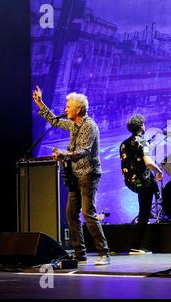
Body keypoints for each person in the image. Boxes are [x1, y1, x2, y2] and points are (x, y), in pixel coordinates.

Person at [32, 86, 110, 266]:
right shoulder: (73, 124)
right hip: (75, 175)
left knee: (88, 213)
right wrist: (40, 102)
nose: (65, 109)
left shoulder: (89, 126)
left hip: (89, 174)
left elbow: (84, 151)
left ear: (78, 109)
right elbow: (54, 121)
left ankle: (104, 253)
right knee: (71, 214)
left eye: (68, 106)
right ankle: (80, 254)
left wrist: (63, 154)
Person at [120, 114, 163, 254]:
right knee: (144, 213)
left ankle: (135, 245)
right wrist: (159, 171)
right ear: (141, 127)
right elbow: (148, 163)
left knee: (143, 212)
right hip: (145, 182)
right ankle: (136, 246)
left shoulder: (124, 144)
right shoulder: (143, 142)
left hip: (132, 182)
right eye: (143, 124)